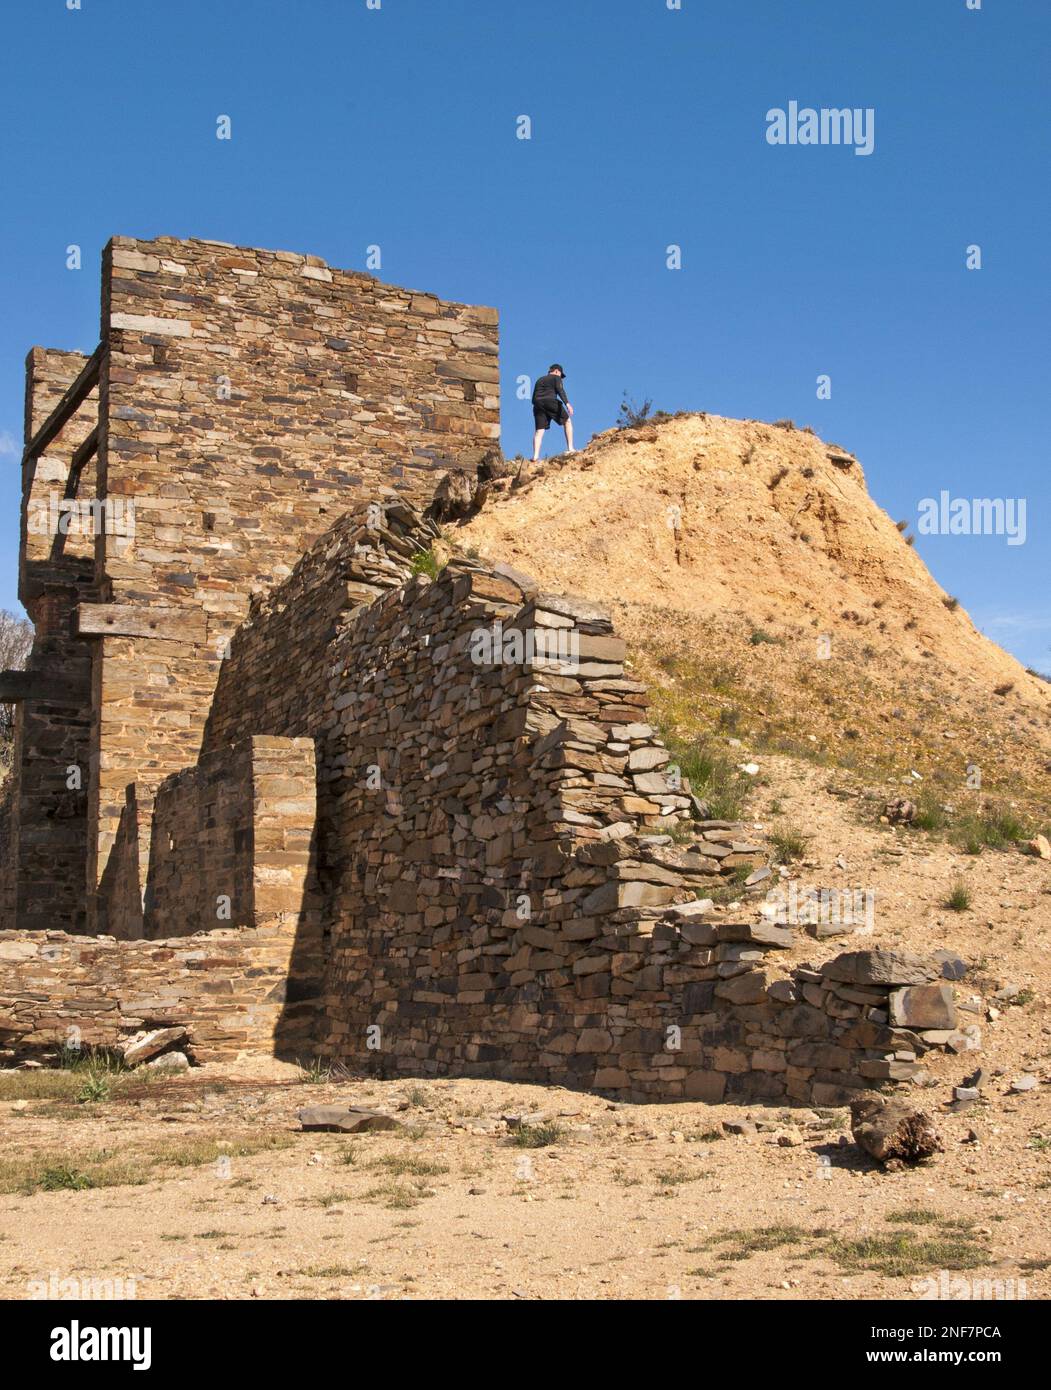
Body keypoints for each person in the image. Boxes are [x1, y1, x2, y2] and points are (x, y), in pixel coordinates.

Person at [531, 363, 574, 461]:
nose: (561, 378)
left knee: (539, 431)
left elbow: (533, 398)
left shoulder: (539, 380)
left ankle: (535, 456)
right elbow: (560, 390)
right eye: (561, 375)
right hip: (550, 401)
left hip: (537, 405)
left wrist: (539, 404)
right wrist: (567, 404)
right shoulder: (556, 378)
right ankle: (570, 448)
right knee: (567, 421)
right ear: (556, 371)